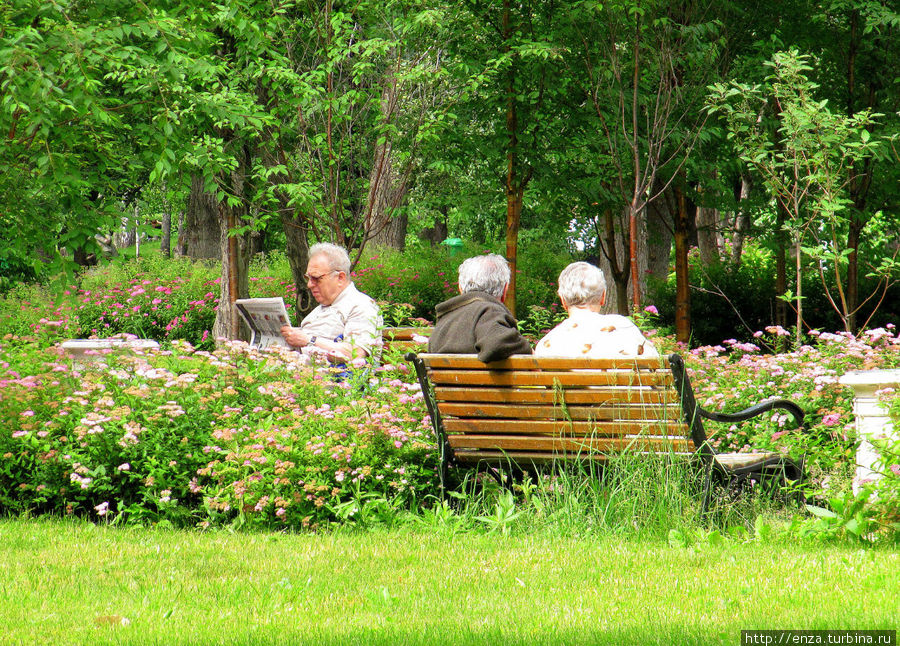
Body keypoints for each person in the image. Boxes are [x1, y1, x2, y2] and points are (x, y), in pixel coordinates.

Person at [280, 242, 382, 362]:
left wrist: (309, 340)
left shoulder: (361, 305)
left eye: (316, 278)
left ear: (340, 278)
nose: (309, 284)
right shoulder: (323, 307)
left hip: (335, 378)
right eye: (308, 278)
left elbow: (356, 353)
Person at [535, 261, 658, 359]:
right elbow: (655, 369)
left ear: (562, 300)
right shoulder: (624, 327)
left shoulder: (547, 344)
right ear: (603, 297)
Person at [428, 253, 532, 362]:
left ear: (460, 288)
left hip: (442, 379)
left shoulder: (444, 320)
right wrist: (528, 350)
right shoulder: (490, 311)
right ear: (505, 290)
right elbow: (496, 344)